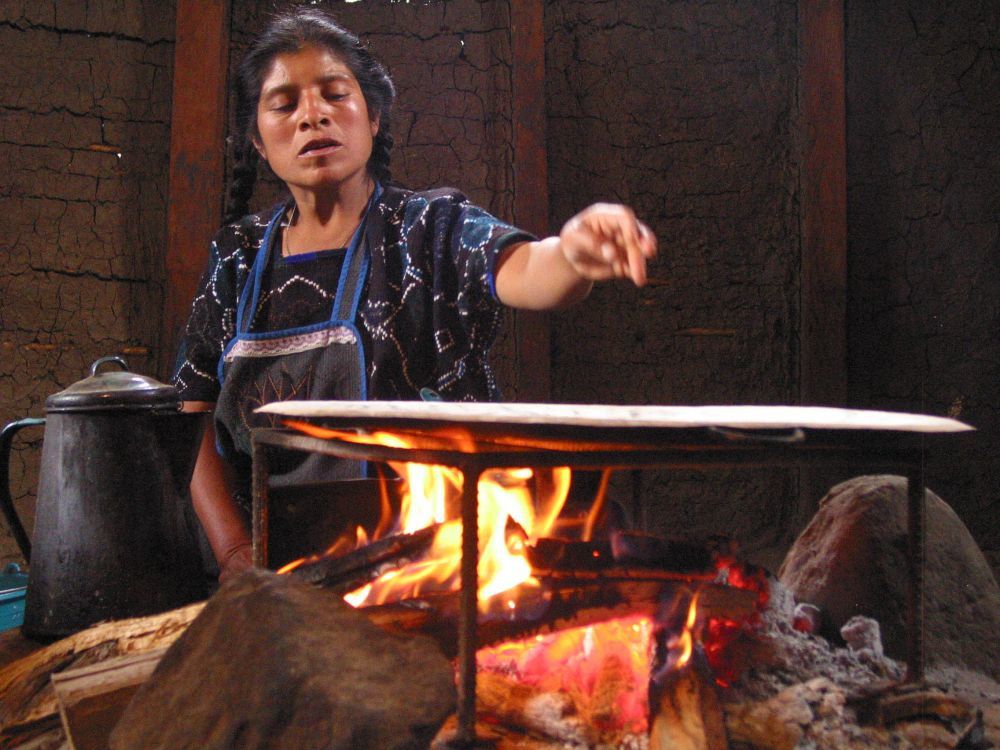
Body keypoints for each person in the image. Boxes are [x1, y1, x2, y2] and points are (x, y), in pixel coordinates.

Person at [172, 7, 657, 582]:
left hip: (436, 560)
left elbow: (528, 271)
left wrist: (573, 253)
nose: (313, 116)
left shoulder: (428, 228)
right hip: (279, 571)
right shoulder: (238, 256)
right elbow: (192, 415)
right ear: (257, 140)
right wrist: (233, 556)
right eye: (285, 104)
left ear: (373, 118)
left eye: (335, 95)